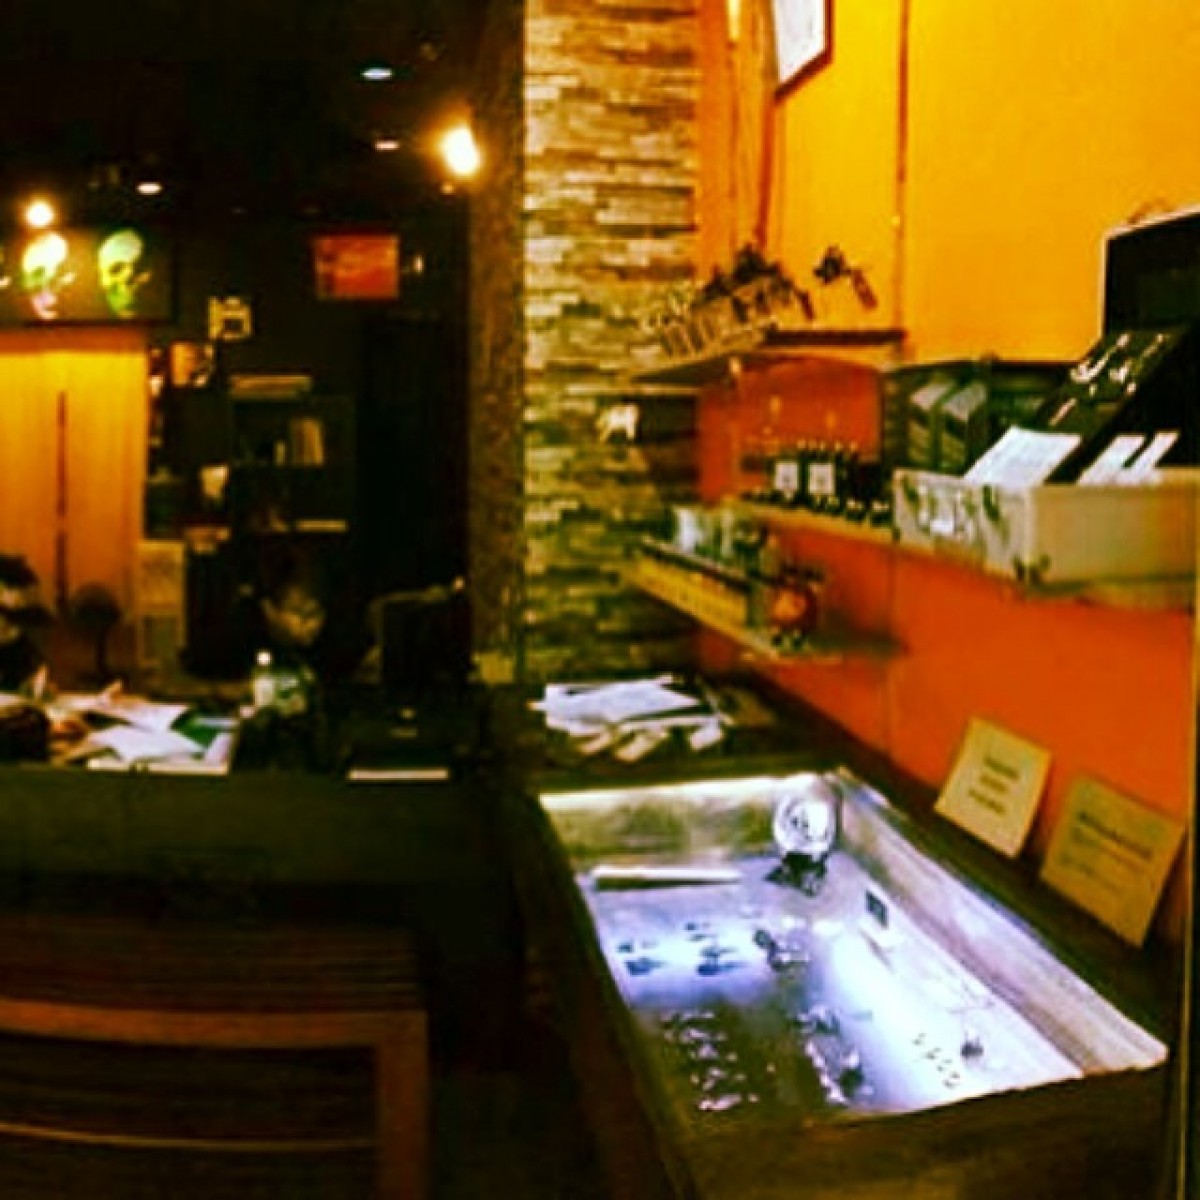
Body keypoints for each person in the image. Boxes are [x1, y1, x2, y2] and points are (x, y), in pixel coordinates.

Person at [0, 554, 52, 696]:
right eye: (10, 619)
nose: (15, 630)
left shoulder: (18, 645)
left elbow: (30, 676)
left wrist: (35, 685)